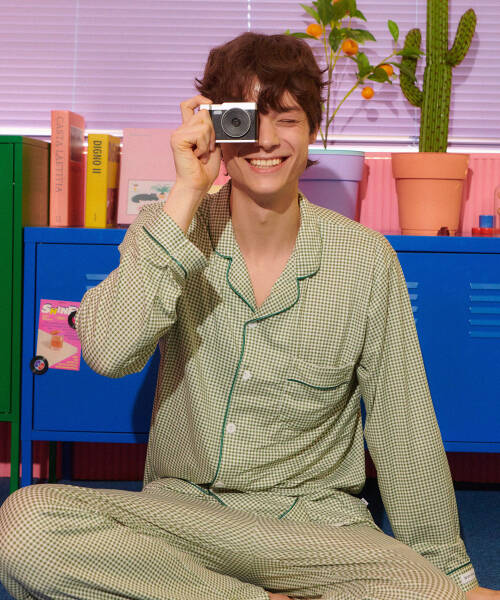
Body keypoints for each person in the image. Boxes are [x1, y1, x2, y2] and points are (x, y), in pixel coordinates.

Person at [0, 32, 498, 600]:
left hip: (314, 530)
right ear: (213, 128)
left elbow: (401, 424)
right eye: (244, 119)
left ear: (312, 132)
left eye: (286, 119)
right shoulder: (168, 230)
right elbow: (110, 352)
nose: (265, 140)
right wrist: (186, 190)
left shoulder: (365, 259)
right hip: (187, 520)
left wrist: (455, 580)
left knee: (424, 591)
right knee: (26, 527)